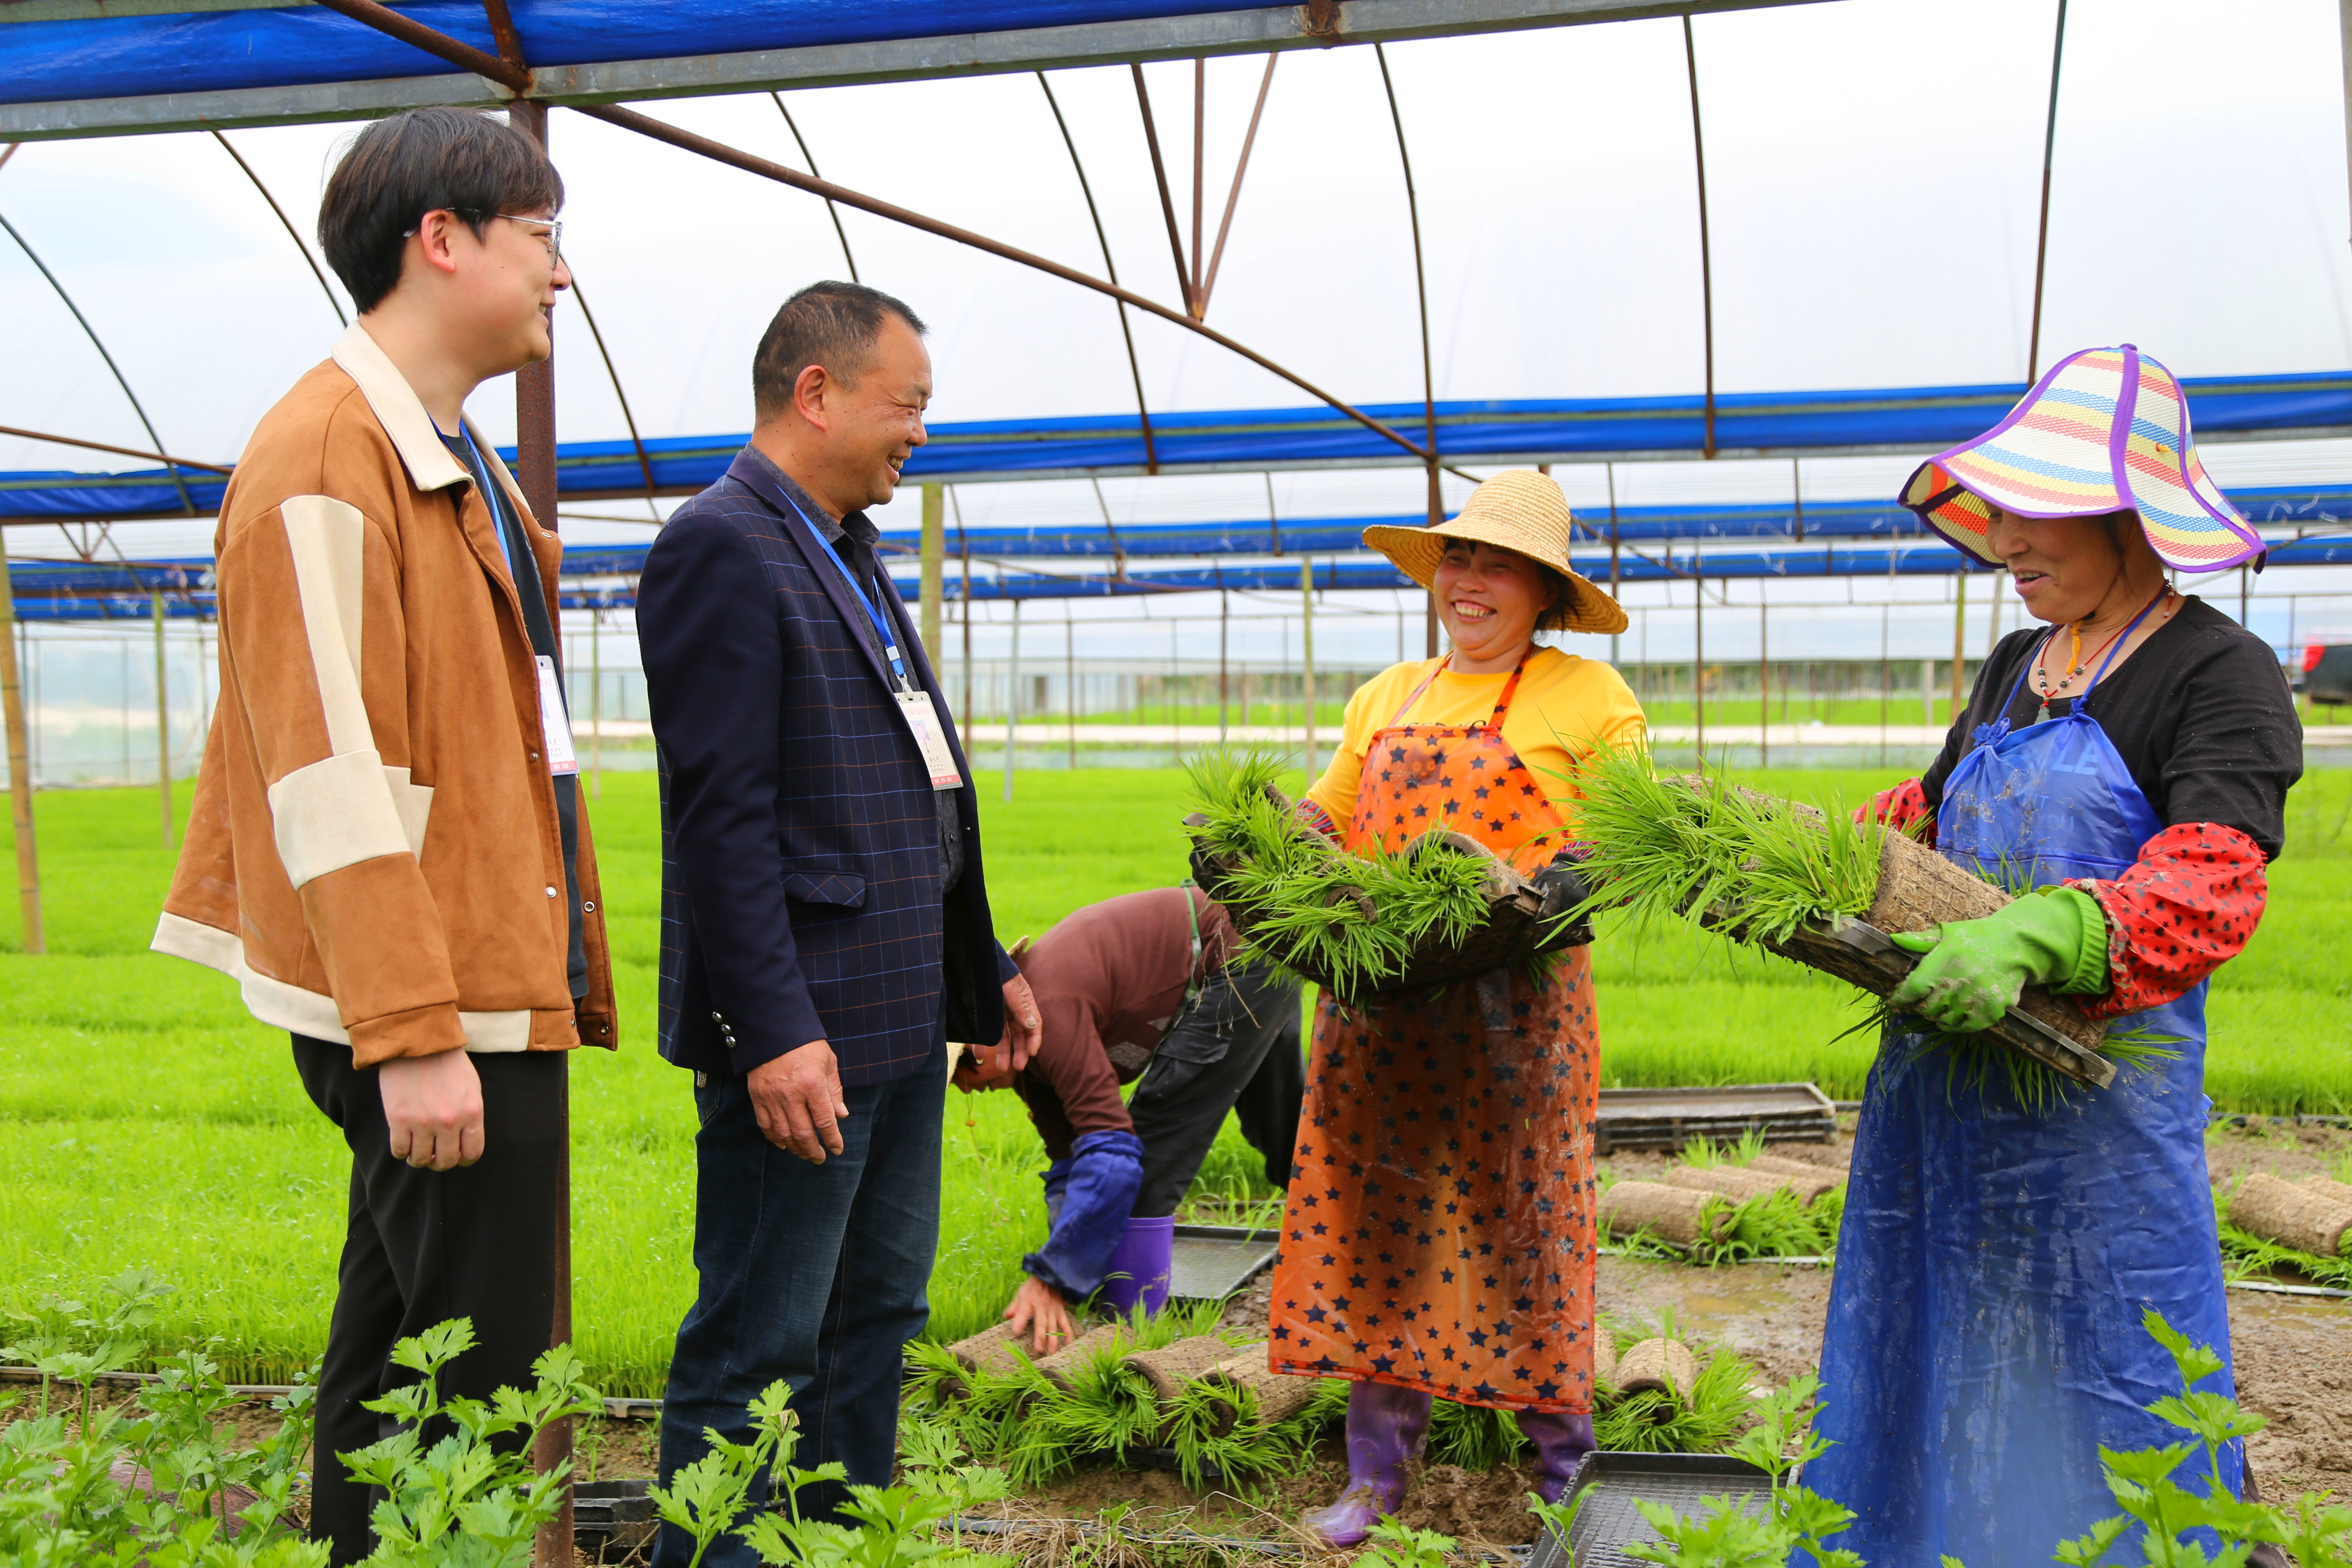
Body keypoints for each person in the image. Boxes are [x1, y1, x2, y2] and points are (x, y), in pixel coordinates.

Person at [147, 108, 608, 1565]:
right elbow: (325, 767)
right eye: (544, 239)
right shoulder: (321, 457)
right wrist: (410, 1028)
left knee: (404, 1344)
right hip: (433, 994)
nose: (562, 276)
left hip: (470, 969)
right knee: (473, 1378)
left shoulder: (434, 440)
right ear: (443, 239)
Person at [1810, 345, 2303, 1566]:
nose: (2008, 545)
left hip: (2097, 1121)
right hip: (1943, 1092)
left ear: (2131, 517)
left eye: (2041, 518)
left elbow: (2208, 882)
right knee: (1942, 1340)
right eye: (2003, 517)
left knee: (2110, 1357)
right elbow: (1928, 818)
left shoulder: (2219, 672)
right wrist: (1816, 862)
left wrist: (2040, 933)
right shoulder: (2012, 667)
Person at [636, 281, 1040, 1565]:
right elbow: (723, 821)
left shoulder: (846, 550)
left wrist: (983, 975)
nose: (917, 432)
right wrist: (771, 1031)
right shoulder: (724, 546)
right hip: (803, 1039)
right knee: (761, 1336)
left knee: (876, 1314)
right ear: (816, 392)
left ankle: (842, 1542)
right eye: (905, 405)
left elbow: (914, 794)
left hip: (897, 1021)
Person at [1265, 470, 1644, 1546]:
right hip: (1380, 1018)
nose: (1468, 580)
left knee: (1524, 1226)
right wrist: (1268, 842)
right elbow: (1326, 818)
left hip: (1515, 1016)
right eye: (1457, 559)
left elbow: (1622, 837)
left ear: (1542, 587)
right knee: (1379, 1231)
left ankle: (1562, 1460)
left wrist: (1566, 884)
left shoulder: (1589, 697)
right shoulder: (1385, 697)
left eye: (1496, 562)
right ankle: (1374, 1480)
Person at [952, 885, 1305, 1351]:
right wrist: (1066, 1253)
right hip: (1255, 945)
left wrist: (1054, 1277)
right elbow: (1072, 1163)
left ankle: (1129, 1333)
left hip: (1239, 953)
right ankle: (1342, 1248)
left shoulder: (1050, 1018)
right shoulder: (1032, 1066)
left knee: (1153, 1152)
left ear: (982, 1036)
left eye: (960, 1070)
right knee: (1286, 1128)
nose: (961, 1088)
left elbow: (1116, 1154)